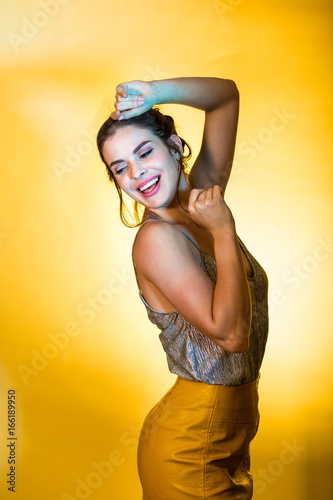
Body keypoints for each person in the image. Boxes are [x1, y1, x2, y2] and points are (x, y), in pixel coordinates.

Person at [96, 77, 269, 500]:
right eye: (120, 168)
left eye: (144, 152)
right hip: (188, 449)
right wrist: (224, 232)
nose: (137, 174)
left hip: (234, 436)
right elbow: (231, 335)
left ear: (174, 145)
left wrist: (153, 93)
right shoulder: (156, 241)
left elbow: (226, 95)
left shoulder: (201, 196)